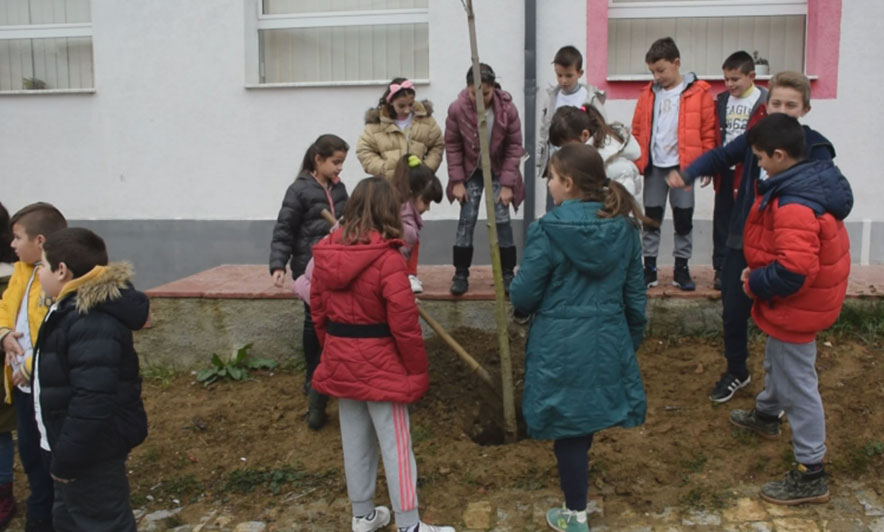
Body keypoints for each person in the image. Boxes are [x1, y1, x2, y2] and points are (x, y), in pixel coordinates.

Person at [666, 71, 835, 403]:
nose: (782, 110)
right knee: (733, 311)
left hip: (784, 248)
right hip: (743, 240)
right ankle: (737, 371)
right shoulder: (755, 136)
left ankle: (780, 393)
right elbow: (720, 156)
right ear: (766, 103)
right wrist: (689, 172)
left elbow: (830, 195)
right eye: (776, 102)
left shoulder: (815, 147)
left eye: (791, 104)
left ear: (805, 110)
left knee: (783, 324)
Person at [510, 144, 649, 532]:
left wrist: (520, 283)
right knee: (582, 419)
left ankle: (575, 514)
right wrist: (627, 342)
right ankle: (576, 505)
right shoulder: (624, 228)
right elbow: (635, 299)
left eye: (551, 177)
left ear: (567, 184)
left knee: (568, 424)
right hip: (606, 338)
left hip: (559, 343)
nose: (549, 184)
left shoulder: (547, 229)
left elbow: (524, 295)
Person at [309, 177, 455, 532]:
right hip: (383, 365)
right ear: (388, 211)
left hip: (343, 359)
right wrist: (417, 370)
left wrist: (335, 348)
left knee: (354, 441)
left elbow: (318, 311)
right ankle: (409, 524)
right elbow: (405, 326)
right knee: (396, 445)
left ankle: (362, 516)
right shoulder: (389, 260)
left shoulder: (327, 252)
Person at [730, 113, 851, 505]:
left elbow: (795, 270)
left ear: (780, 155)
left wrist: (755, 282)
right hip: (799, 304)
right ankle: (766, 414)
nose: (759, 164)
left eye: (761, 158)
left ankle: (810, 470)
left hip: (798, 305)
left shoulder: (795, 204)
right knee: (776, 360)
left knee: (799, 385)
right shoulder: (805, 180)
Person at [35, 227, 149, 531]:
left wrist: (68, 458)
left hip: (89, 454)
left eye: (42, 266)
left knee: (103, 523)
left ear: (61, 271)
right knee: (69, 520)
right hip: (71, 450)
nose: (39, 274)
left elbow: (93, 398)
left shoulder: (90, 321)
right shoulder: (69, 309)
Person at [269, 134, 350, 430]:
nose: (340, 168)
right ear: (318, 160)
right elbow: (284, 229)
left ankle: (332, 372)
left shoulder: (340, 190)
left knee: (332, 320)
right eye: (335, 162)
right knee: (311, 321)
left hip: (336, 264)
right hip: (309, 267)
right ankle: (312, 375)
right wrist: (278, 264)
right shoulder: (299, 191)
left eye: (343, 162)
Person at [0, 202, 67, 531]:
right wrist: (3, 335)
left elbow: (56, 333)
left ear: (39, 240)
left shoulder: (57, 277)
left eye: (17, 237)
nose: (11, 244)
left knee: (51, 455)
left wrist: (29, 362)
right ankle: (41, 512)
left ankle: (54, 515)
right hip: (24, 387)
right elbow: (4, 306)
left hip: (50, 388)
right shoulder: (21, 271)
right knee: (29, 454)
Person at [631, 37, 716, 291]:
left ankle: (681, 268)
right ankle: (650, 268)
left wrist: (706, 164)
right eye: (652, 72)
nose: (657, 77)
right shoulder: (647, 94)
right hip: (655, 168)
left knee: (683, 219)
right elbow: (637, 130)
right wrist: (637, 162)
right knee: (651, 218)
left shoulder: (699, 92)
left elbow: (708, 130)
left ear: (676, 63)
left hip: (684, 168)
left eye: (661, 70)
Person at [445, 63, 525, 296]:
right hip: (471, 171)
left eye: (486, 94)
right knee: (466, 219)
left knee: (502, 219)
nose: (481, 99)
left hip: (499, 170)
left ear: (494, 89)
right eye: (475, 94)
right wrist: (457, 181)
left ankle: (507, 273)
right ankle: (460, 273)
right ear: (467, 88)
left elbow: (514, 147)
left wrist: (508, 184)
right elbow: (452, 146)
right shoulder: (457, 109)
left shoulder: (507, 110)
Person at [711, 51, 768, 290]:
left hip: (749, 169)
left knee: (746, 218)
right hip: (726, 169)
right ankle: (720, 269)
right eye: (726, 79)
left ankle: (745, 265)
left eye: (735, 79)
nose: (730, 84)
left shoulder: (763, 101)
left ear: (751, 76)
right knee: (722, 218)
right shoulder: (722, 100)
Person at [537, 45, 607, 211]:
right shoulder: (551, 98)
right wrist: (542, 162)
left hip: (581, 165)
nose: (563, 81)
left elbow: (601, 130)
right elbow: (544, 131)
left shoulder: (590, 97)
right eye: (559, 75)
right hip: (556, 164)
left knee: (581, 207)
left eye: (569, 75)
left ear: (580, 73)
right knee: (554, 209)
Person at [357, 77, 444, 180]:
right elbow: (364, 150)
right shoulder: (376, 124)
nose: (407, 110)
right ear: (390, 102)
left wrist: (426, 169)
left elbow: (437, 145)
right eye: (401, 106)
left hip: (419, 186)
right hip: (390, 186)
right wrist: (383, 169)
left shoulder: (426, 120)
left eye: (410, 104)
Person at [548, 105, 642, 197]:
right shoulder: (585, 160)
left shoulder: (613, 164)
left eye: (567, 146)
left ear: (585, 135)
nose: (564, 152)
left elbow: (624, 205)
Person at [391, 154, 443, 294]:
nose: (427, 209)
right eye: (426, 202)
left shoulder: (401, 214)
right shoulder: (406, 228)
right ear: (411, 194)